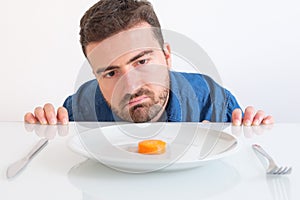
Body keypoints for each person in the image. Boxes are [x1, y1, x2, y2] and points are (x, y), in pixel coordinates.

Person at [24, 0, 273, 126]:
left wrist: (254, 134)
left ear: (166, 56)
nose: (130, 86)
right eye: (111, 73)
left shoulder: (213, 101)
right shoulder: (78, 109)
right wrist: (43, 132)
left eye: (141, 61)